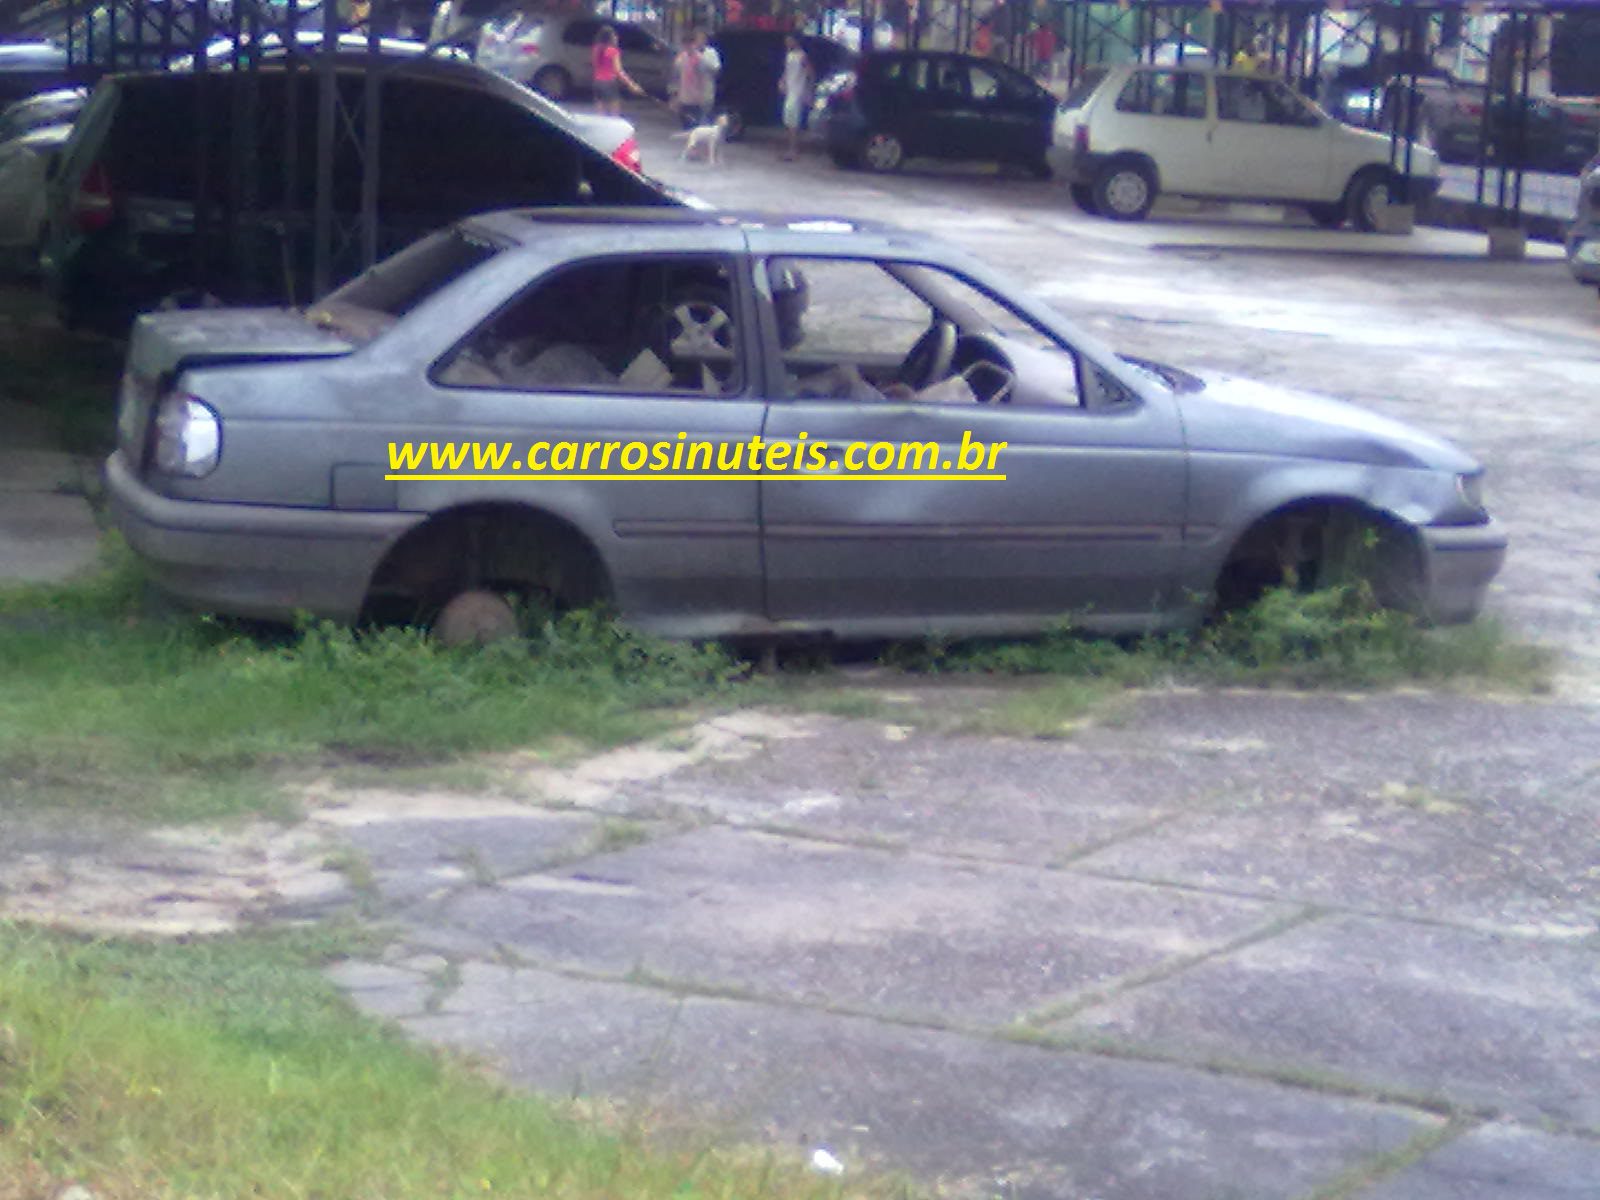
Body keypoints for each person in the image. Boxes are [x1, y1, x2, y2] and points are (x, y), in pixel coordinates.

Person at [671, 30, 721, 129]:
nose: (699, 42)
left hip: (703, 97)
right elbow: (676, 75)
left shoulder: (709, 53)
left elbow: (716, 69)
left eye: (701, 39)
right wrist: (674, 95)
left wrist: (700, 58)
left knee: (700, 125)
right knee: (687, 125)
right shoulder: (683, 56)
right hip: (685, 97)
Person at [591, 26, 645, 117]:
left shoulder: (596, 49)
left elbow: (594, 64)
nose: (616, 38)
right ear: (610, 38)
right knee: (614, 114)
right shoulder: (613, 51)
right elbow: (618, 71)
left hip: (597, 82)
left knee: (600, 114)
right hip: (609, 83)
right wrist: (632, 85)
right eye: (614, 36)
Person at [777, 34, 813, 161]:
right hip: (790, 90)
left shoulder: (801, 56)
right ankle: (791, 149)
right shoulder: (789, 55)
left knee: (793, 122)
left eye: (790, 41)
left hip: (798, 91)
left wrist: (808, 90)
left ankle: (793, 150)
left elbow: (809, 72)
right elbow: (786, 71)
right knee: (789, 121)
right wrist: (782, 81)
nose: (787, 43)